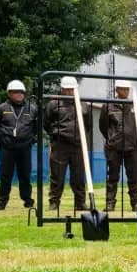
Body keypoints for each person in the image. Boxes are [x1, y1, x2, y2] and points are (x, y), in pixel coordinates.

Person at [0, 80, 38, 210]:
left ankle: (28, 200)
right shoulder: (1, 108)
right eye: (16, 92)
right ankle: (2, 202)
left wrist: (32, 140)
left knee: (25, 175)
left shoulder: (32, 109)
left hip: (24, 147)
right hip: (7, 148)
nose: (19, 94)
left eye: (21, 92)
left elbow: (37, 128)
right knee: (5, 176)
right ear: (9, 93)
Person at [45, 76, 90, 212]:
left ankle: (80, 203)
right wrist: (55, 133)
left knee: (79, 176)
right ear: (62, 89)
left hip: (77, 145)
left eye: (72, 89)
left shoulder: (83, 105)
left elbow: (88, 125)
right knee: (57, 176)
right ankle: (54, 203)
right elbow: (46, 123)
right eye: (67, 89)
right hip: (60, 145)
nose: (70, 92)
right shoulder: (54, 104)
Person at [100, 80, 137, 212]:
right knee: (112, 176)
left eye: (127, 89)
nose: (126, 91)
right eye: (123, 89)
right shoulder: (108, 105)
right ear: (117, 89)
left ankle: (135, 204)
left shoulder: (134, 104)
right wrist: (112, 138)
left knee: (133, 177)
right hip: (114, 147)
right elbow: (103, 125)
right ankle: (110, 203)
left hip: (132, 146)